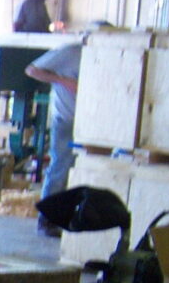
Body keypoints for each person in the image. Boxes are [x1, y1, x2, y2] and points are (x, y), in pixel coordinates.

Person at [25, 22, 110, 237]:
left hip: (92, 121)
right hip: (67, 119)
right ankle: (47, 219)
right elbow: (32, 69)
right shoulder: (71, 52)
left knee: (85, 169)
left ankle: (76, 217)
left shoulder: (107, 57)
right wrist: (63, 80)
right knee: (61, 165)